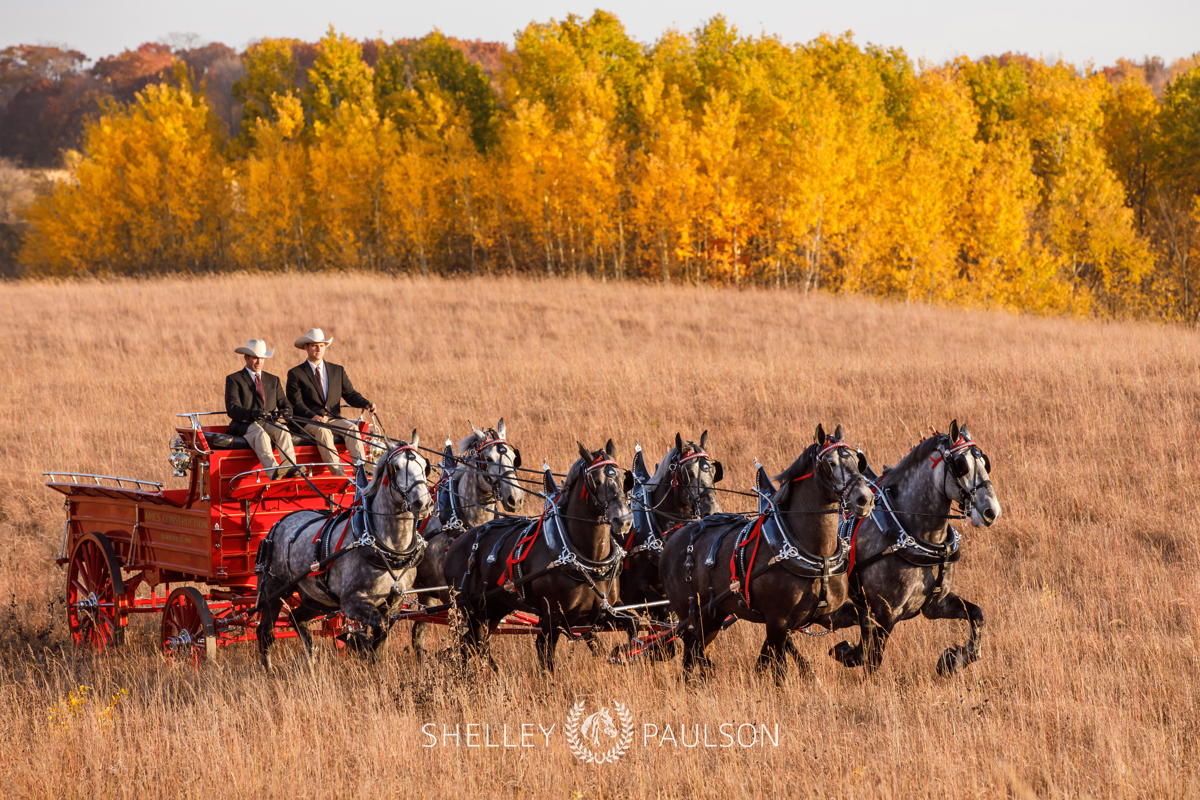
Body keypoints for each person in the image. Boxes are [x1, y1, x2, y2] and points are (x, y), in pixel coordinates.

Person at [286, 328, 376, 477]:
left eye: (321, 345)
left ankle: (361, 474)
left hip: (332, 418)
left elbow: (350, 394)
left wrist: (366, 403)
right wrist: (312, 416)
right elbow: (295, 402)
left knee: (352, 429)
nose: (318, 348)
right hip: (308, 420)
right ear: (306, 348)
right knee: (323, 431)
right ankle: (340, 476)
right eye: (314, 345)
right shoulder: (296, 373)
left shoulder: (337, 370)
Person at [224, 339, 302, 479]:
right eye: (255, 358)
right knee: (260, 433)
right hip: (245, 424)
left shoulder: (273, 380)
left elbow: (284, 402)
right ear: (246, 358)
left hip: (269, 422)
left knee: (283, 430)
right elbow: (232, 408)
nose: (259, 361)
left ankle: (290, 468)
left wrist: (287, 411)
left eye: (262, 358)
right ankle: (274, 473)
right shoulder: (234, 379)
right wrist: (253, 414)